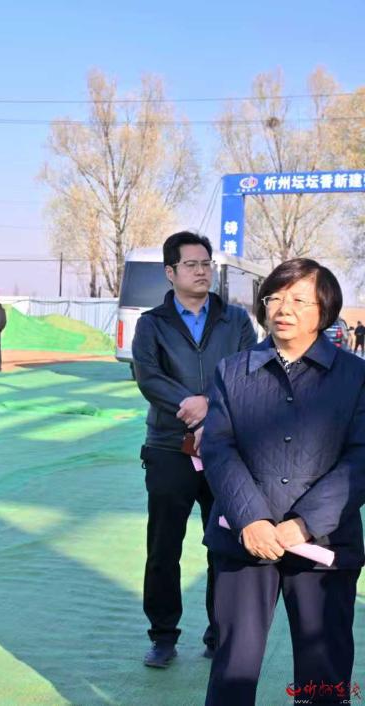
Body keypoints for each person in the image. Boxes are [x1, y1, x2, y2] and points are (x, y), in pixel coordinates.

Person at [203, 258, 365, 705]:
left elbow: (360, 456)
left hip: (323, 544)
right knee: (233, 667)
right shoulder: (232, 371)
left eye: (298, 299)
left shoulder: (355, 376)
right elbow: (218, 448)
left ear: (324, 309)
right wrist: (251, 519)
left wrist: (305, 523)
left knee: (323, 674)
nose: (283, 309)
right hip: (244, 541)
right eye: (274, 297)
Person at [131, 231, 257, 669]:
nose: (202, 271)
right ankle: (163, 635)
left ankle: (219, 634)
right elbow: (148, 377)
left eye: (206, 264)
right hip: (169, 446)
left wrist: (211, 407)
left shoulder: (236, 320)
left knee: (224, 545)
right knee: (163, 547)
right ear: (171, 272)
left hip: (226, 449)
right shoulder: (152, 324)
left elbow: (249, 371)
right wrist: (192, 406)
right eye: (191, 264)